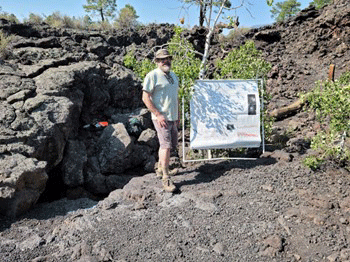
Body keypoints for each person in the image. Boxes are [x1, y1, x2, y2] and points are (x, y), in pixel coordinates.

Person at [142, 49, 179, 193]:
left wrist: (177, 116)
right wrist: (158, 114)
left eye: (168, 58)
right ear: (157, 61)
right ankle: (165, 177)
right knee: (166, 146)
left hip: (172, 117)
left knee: (169, 145)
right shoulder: (153, 75)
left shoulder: (173, 76)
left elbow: (175, 97)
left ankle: (160, 168)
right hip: (161, 118)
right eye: (162, 59)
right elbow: (145, 98)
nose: (166, 61)